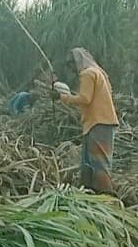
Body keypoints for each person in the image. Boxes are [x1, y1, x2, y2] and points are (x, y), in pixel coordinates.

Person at [51, 48, 119, 195]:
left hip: (99, 123)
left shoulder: (87, 74)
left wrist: (62, 97)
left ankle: (107, 196)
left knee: (99, 163)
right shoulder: (97, 72)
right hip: (99, 122)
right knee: (88, 162)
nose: (71, 69)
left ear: (77, 62)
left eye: (71, 65)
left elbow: (85, 99)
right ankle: (88, 193)